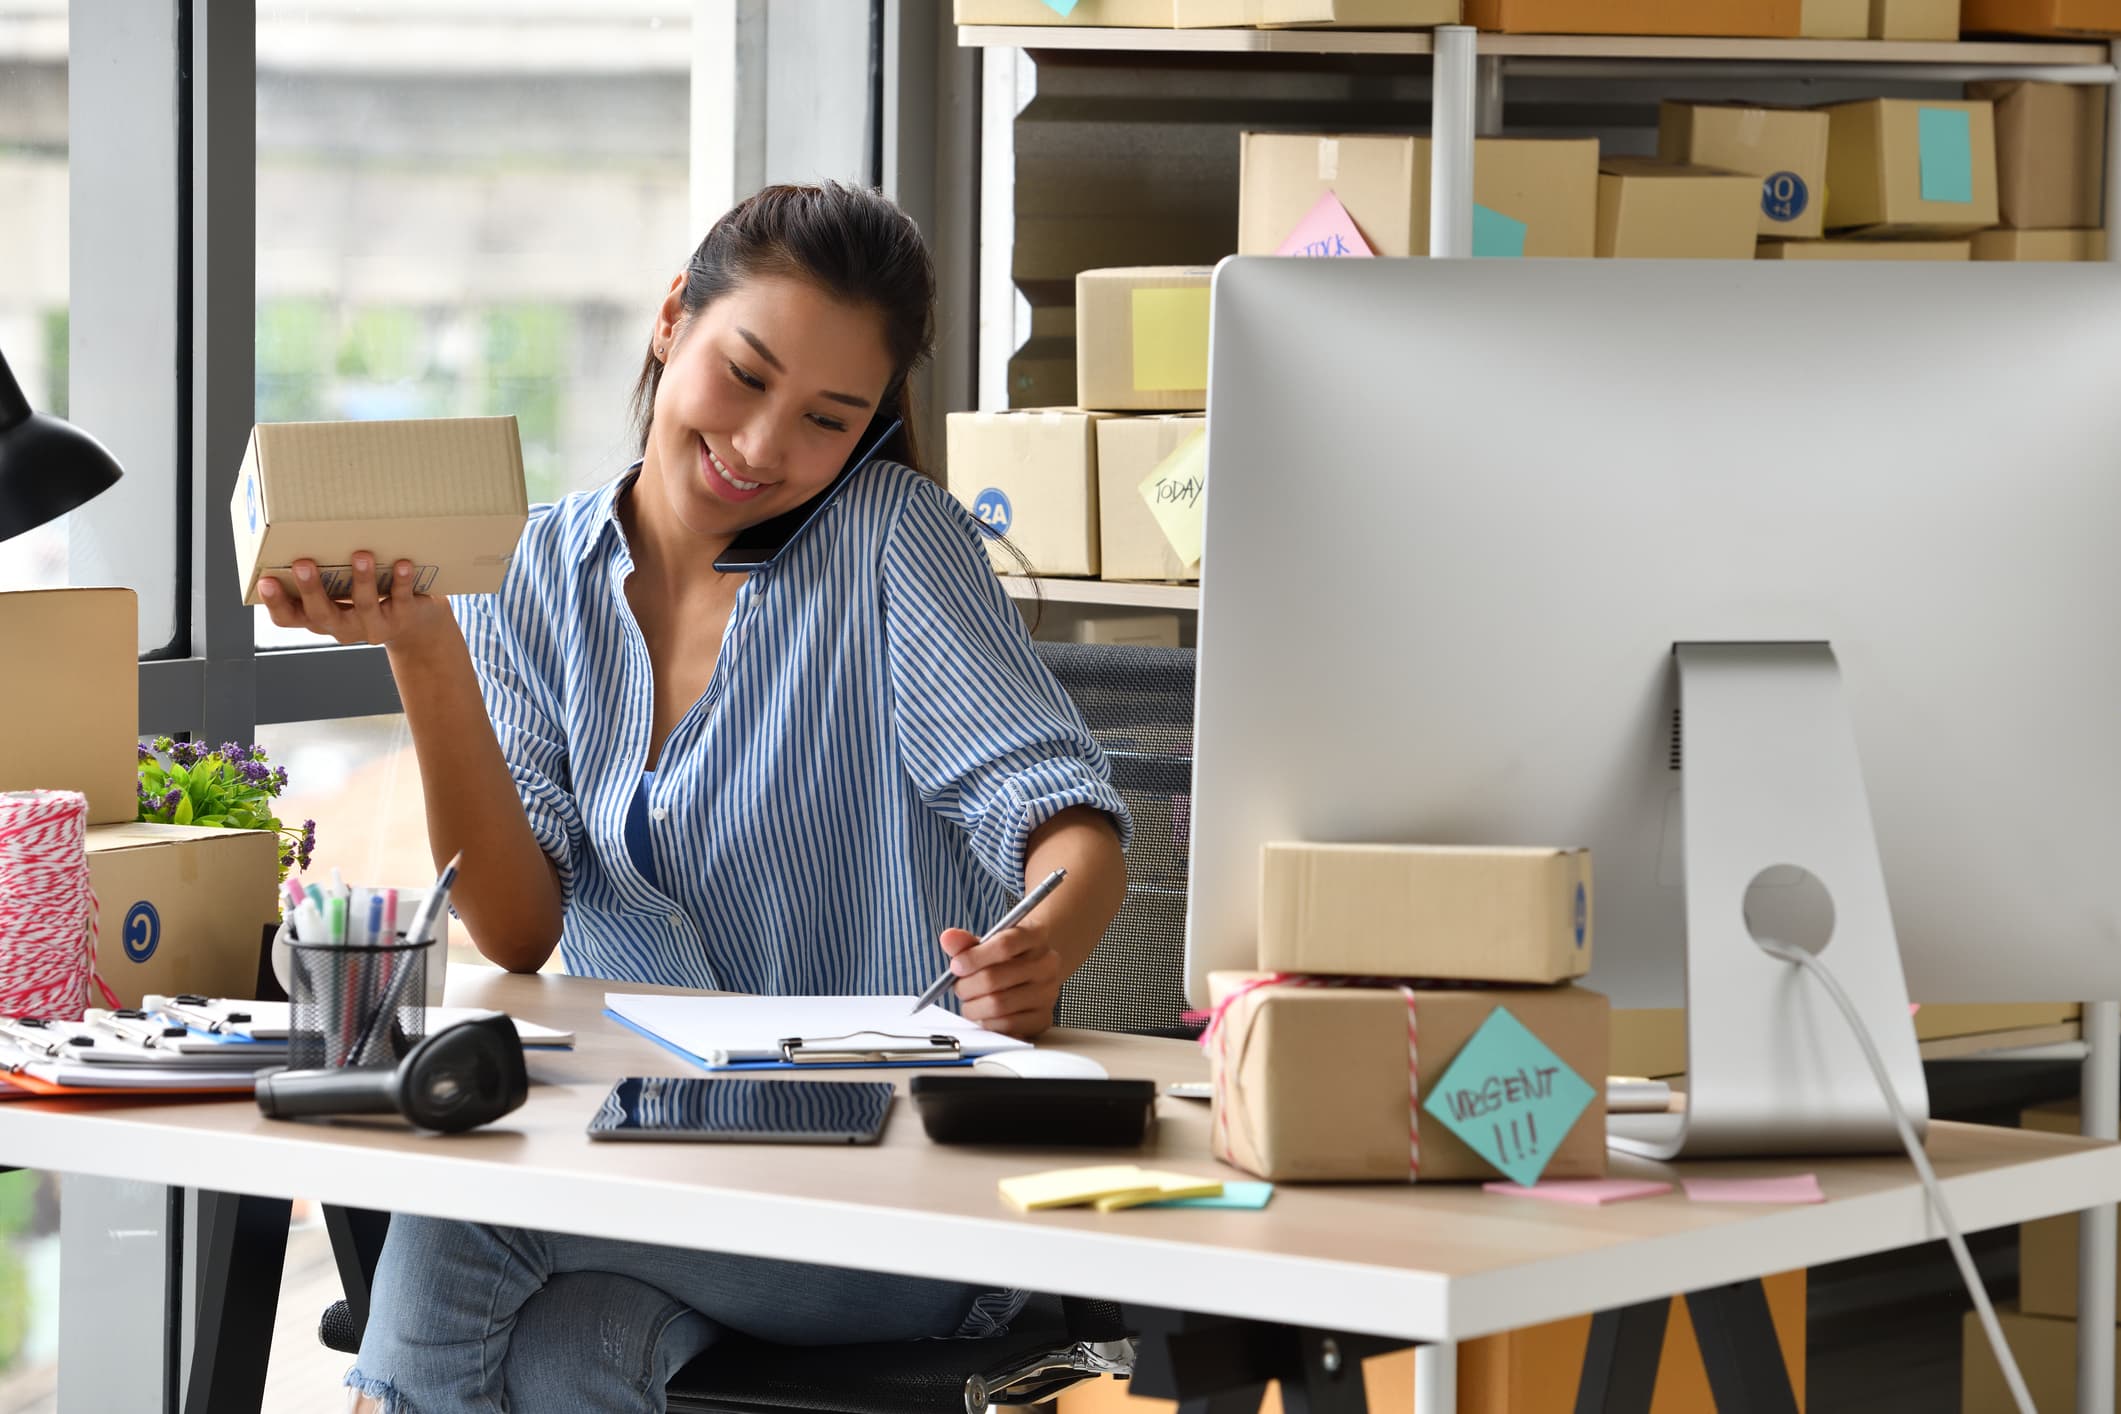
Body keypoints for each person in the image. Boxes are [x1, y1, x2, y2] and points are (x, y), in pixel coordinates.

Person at [258, 182, 1130, 1414]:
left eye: (828, 419)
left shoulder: (893, 540)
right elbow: (518, 926)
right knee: (574, 1349)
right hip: (656, 1170)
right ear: (675, 316)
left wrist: (1043, 942)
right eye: (746, 374)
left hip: (895, 1193)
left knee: (469, 1220)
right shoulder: (538, 572)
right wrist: (424, 647)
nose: (766, 446)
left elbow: (1066, 821)